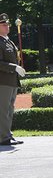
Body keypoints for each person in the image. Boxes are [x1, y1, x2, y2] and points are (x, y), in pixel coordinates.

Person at [0, 13, 26, 146]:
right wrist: (14, 67)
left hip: (11, 81)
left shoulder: (7, 40)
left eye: (8, 25)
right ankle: (3, 137)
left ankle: (7, 135)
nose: (7, 27)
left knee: (9, 109)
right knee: (3, 110)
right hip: (3, 82)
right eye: (4, 25)